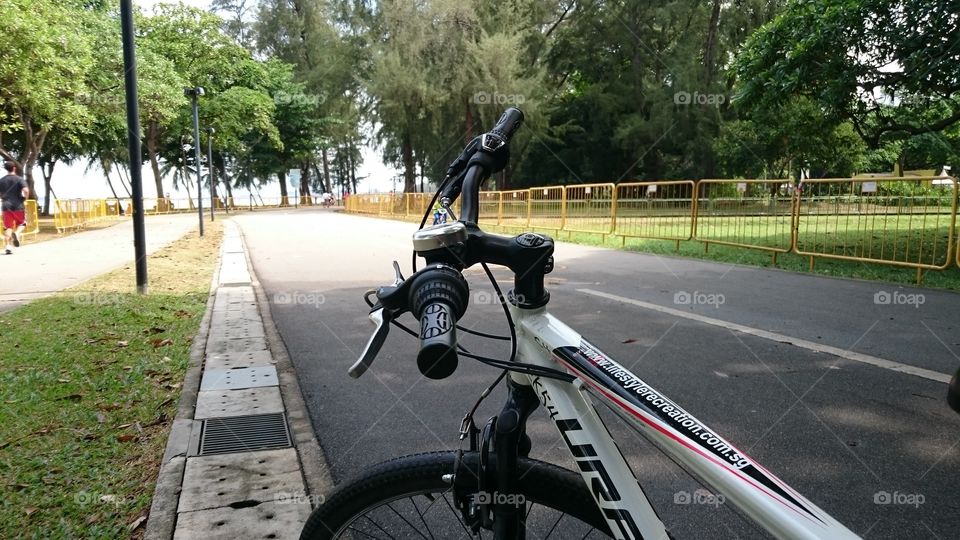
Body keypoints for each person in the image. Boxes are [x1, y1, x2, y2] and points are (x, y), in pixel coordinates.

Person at [0, 161, 29, 255]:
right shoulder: (20, 179)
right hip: (18, 205)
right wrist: (25, 198)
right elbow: (26, 190)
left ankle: (8, 247)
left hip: (6, 206)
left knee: (7, 227)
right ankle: (17, 233)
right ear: (14, 168)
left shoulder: (1, 180)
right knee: (22, 223)